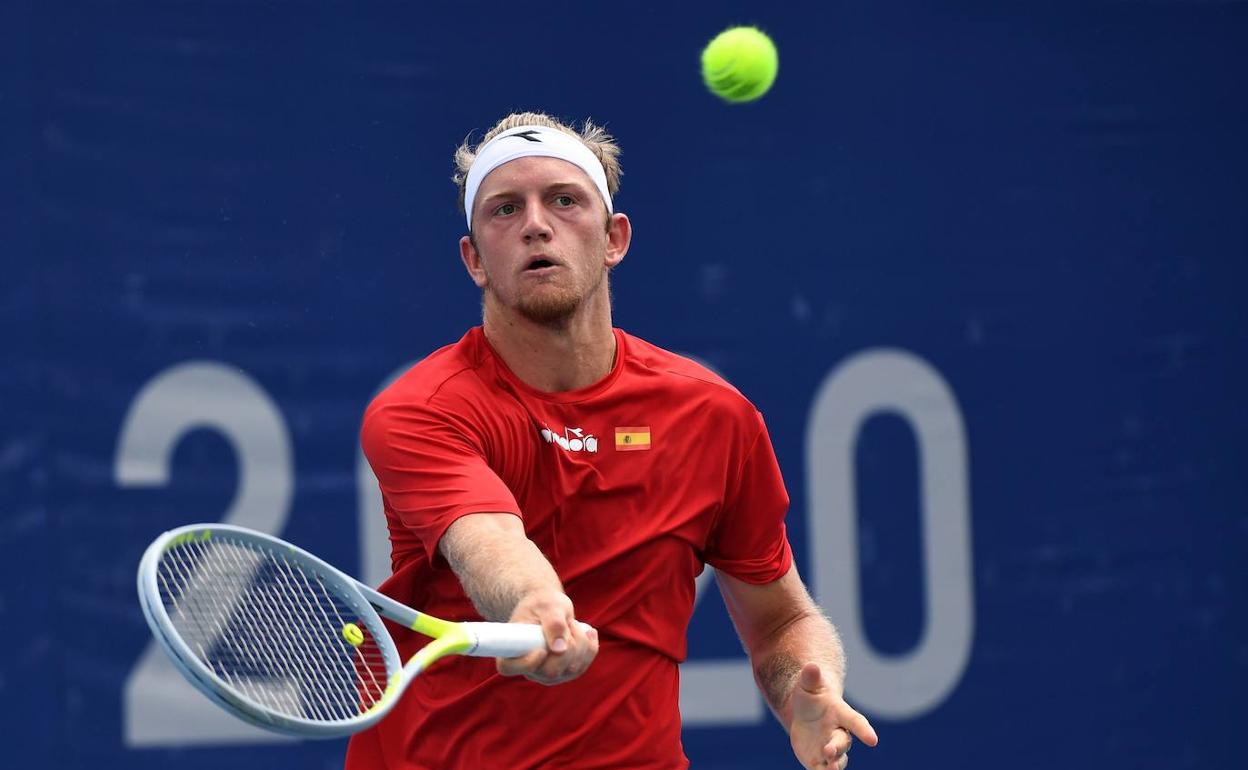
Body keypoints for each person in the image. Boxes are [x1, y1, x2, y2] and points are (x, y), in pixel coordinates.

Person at [344, 112, 878, 770]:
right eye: (505, 209)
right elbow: (488, 540)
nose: (537, 224)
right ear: (474, 259)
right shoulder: (422, 409)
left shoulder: (713, 417)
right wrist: (534, 604)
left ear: (614, 238)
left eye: (564, 201)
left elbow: (781, 620)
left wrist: (803, 685)